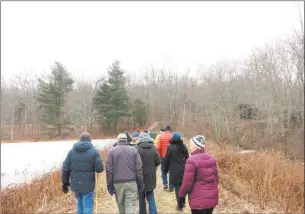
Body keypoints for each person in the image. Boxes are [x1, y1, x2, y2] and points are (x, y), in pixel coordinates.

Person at [61, 132, 104, 214]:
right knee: (87, 207)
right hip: (88, 186)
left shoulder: (71, 152)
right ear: (90, 140)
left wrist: (65, 183)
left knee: (79, 205)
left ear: (80, 140)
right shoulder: (94, 152)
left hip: (75, 185)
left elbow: (65, 168)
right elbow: (99, 169)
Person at [178, 135, 219, 214]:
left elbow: (187, 183)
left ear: (196, 146)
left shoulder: (191, 161)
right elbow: (216, 180)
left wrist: (181, 195)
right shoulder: (212, 159)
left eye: (191, 146)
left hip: (198, 202)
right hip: (211, 201)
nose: (190, 148)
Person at [106, 133, 145, 214]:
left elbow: (109, 169)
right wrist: (140, 182)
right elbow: (139, 168)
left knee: (121, 206)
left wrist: (109, 185)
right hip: (131, 182)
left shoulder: (111, 151)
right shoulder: (134, 150)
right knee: (130, 206)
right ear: (126, 140)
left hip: (117, 184)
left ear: (117, 140)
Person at [136, 133, 161, 214]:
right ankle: (153, 212)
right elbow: (158, 161)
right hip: (151, 175)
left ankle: (142, 212)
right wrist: (153, 167)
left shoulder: (136, 149)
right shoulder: (153, 148)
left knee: (141, 196)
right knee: (150, 194)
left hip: (140, 176)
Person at [164, 132, 189, 211]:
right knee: (183, 187)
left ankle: (180, 206)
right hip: (183, 169)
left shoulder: (170, 147)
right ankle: (183, 203)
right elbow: (188, 158)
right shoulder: (184, 146)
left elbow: (167, 159)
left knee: (177, 188)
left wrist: (165, 170)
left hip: (174, 170)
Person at [156, 125, 174, 191]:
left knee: (163, 170)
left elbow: (158, 148)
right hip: (172, 157)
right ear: (170, 130)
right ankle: (171, 187)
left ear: (165, 130)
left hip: (163, 157)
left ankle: (165, 184)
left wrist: (159, 155)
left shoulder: (161, 137)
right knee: (172, 171)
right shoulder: (173, 136)